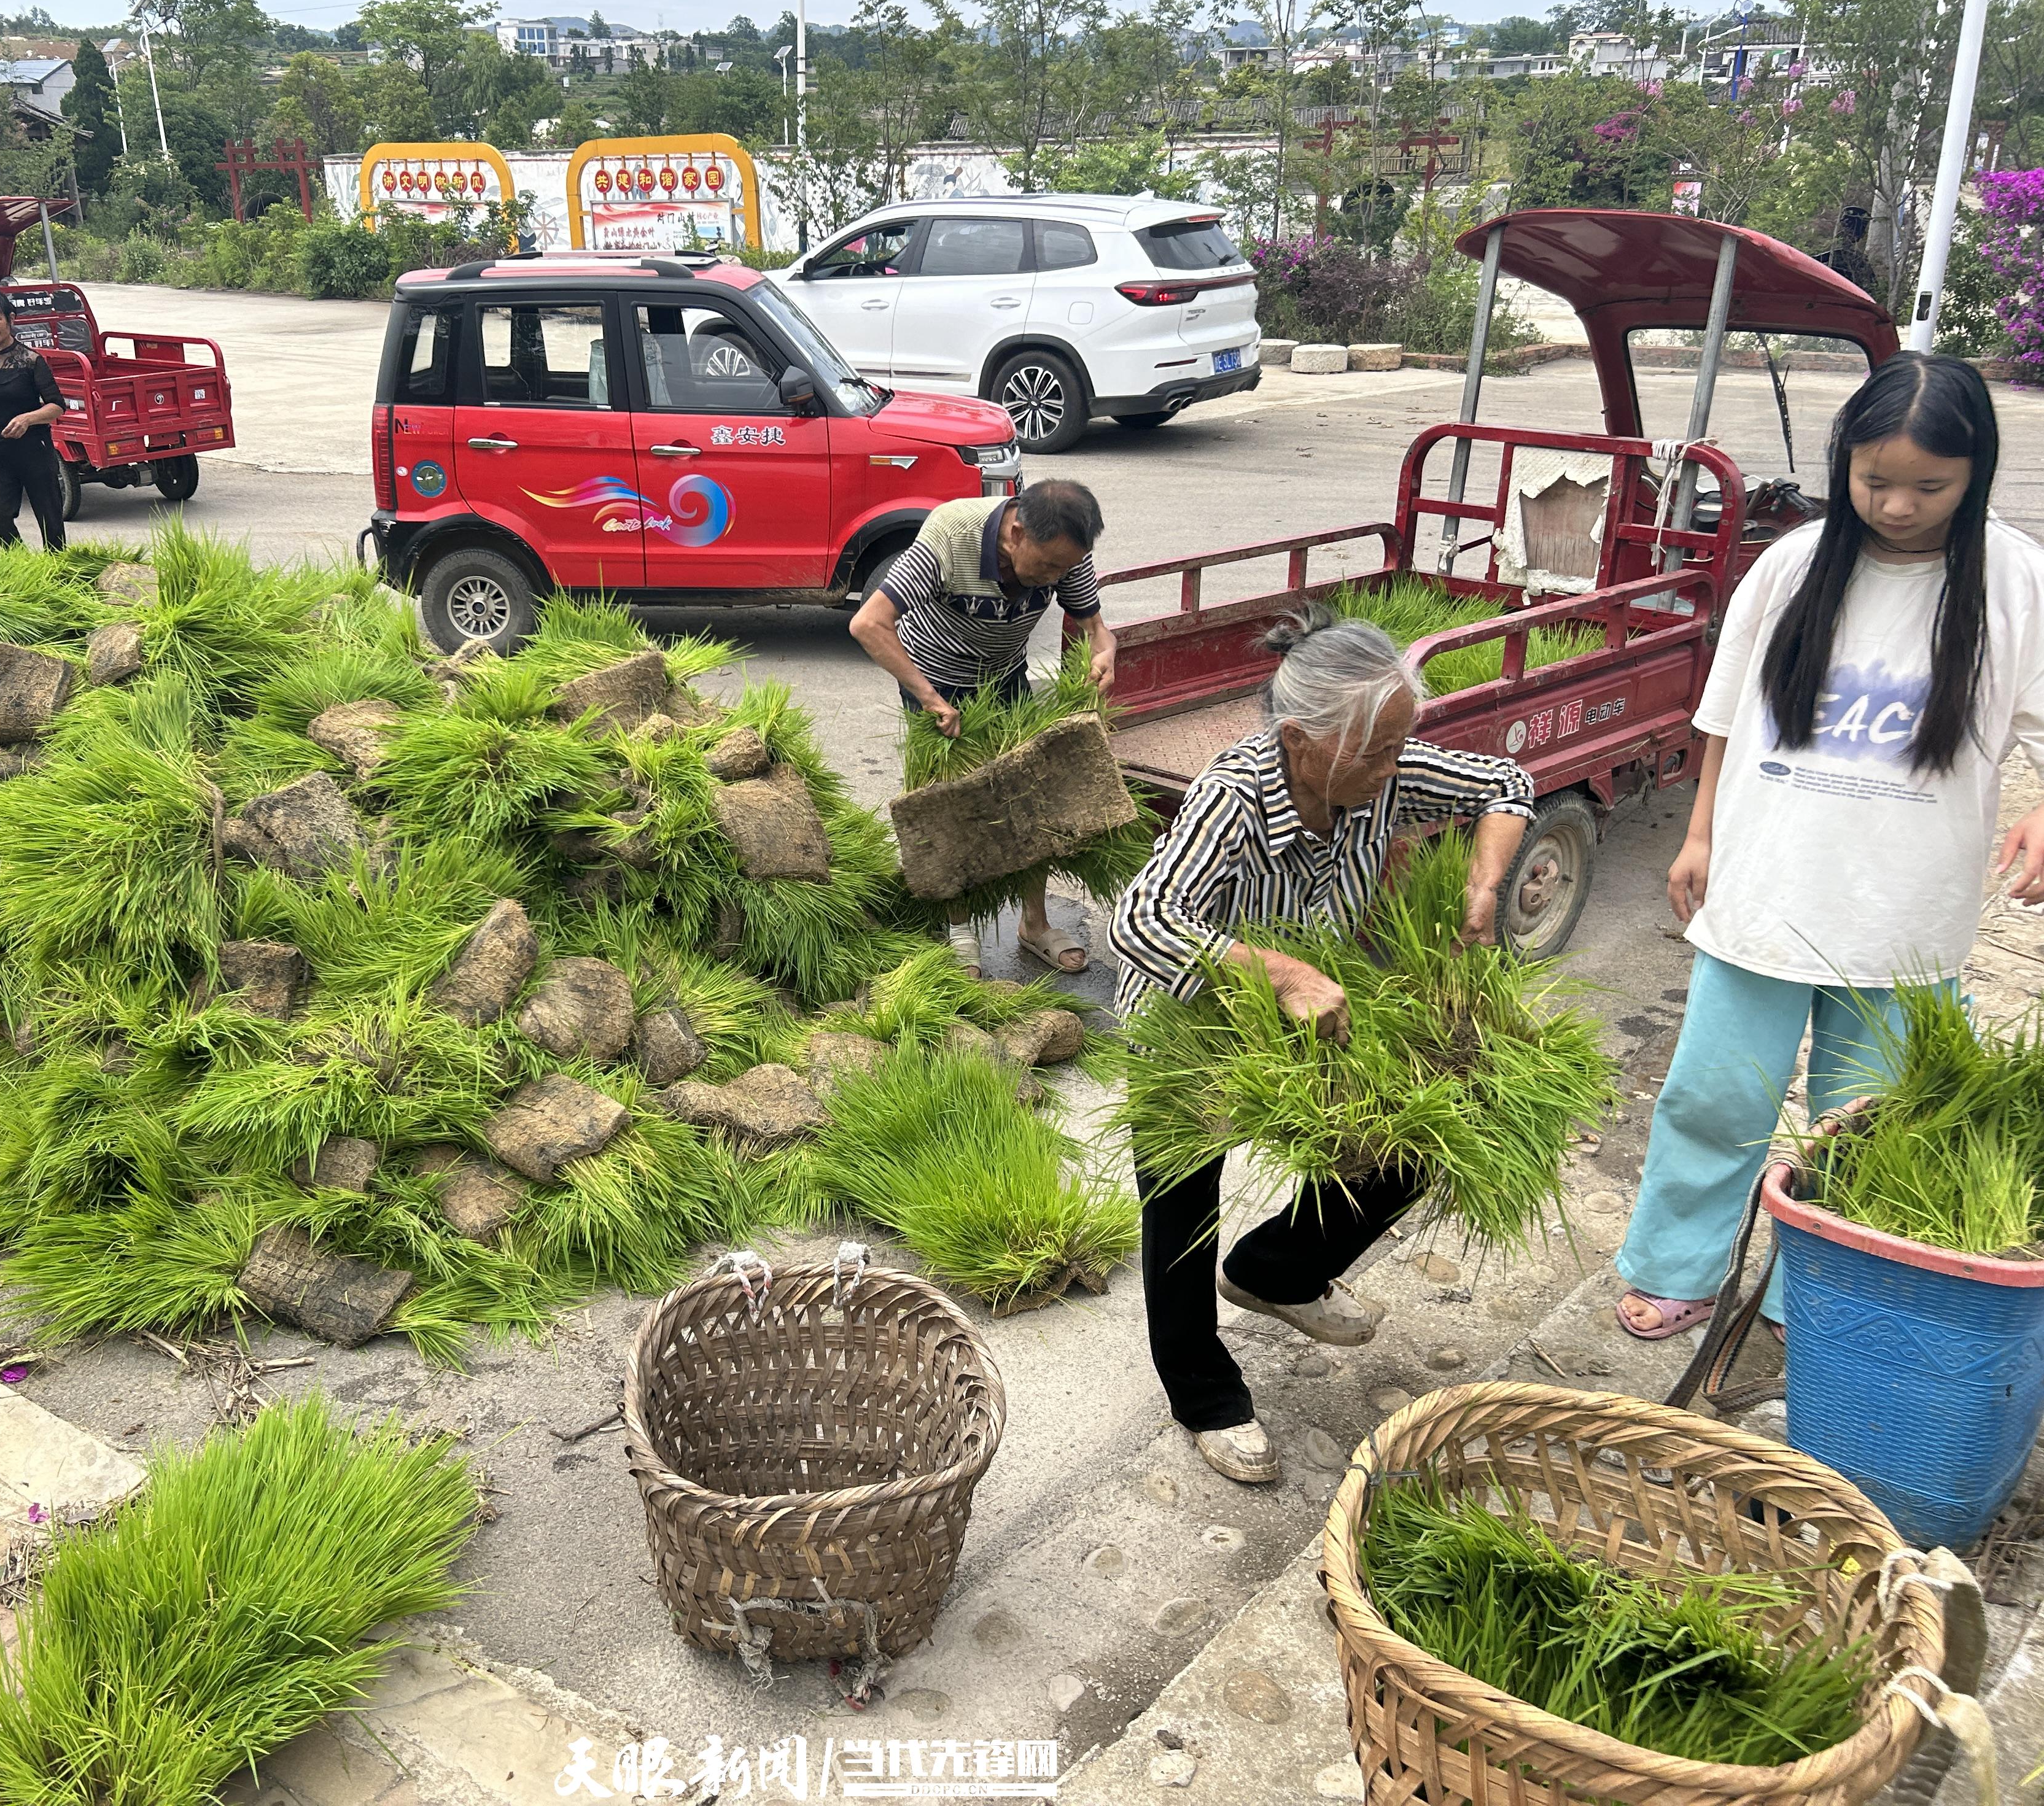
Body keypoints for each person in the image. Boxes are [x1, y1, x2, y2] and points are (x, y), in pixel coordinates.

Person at [1616, 352, 2044, 1343]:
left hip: (1905, 908)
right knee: (1713, 1096)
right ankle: (1677, 1263)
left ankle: (1807, 1286)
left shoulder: (2015, 577)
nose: (1896, 504)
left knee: (1868, 1119)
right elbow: (1722, 710)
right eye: (1873, 479)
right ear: (1841, 461)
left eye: (1928, 485)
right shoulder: (1797, 561)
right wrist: (1697, 832)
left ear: (1974, 472)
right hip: (1768, 884)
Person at [1108, 608, 1533, 1483]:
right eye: (1374, 754)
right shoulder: (1234, 795)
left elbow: (1508, 782)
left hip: (1317, 1010)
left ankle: (1276, 1271)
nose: (1391, 772)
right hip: (1191, 1016)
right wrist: (1279, 972)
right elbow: (1140, 918)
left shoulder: (1387, 776)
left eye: (1398, 750)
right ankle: (1203, 1394)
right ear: (1300, 740)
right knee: (1182, 1203)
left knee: (1420, 1134)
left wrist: (1484, 887)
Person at [849, 480, 1117, 975]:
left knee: (1028, 795)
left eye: (1065, 567)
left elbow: (1094, 625)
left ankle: (1034, 924)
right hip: (935, 679)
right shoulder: (951, 536)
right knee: (947, 806)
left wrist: (1105, 650)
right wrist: (929, 697)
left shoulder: (1065, 549)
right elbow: (868, 624)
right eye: (1049, 567)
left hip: (1005, 674)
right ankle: (958, 928)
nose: (1055, 578)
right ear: (1016, 534)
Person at [0, 288, 68, 550]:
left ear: (11, 319)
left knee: (49, 516)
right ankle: (19, 562)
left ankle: (59, 569)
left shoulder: (31, 361)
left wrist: (28, 419)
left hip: (33, 448)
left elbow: (57, 406)